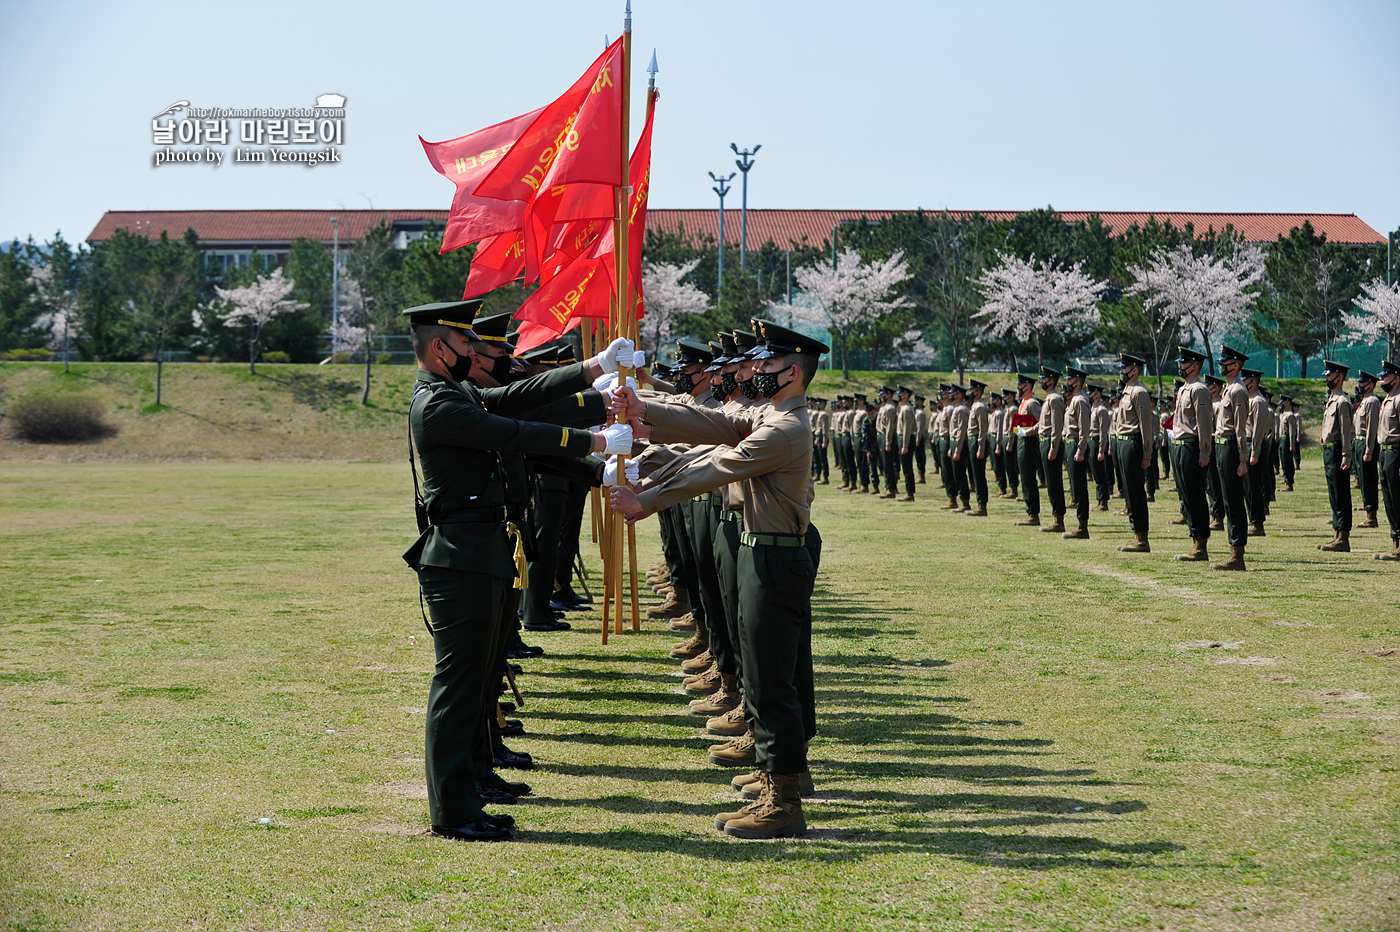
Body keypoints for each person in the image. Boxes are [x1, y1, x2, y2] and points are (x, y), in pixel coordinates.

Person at [402, 300, 634, 842]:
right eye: (465, 346)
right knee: (459, 687)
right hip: (461, 556)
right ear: (441, 348)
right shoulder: (436, 404)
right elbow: (512, 433)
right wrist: (594, 441)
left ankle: (470, 789)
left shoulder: (455, 391)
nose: (474, 355)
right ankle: (453, 810)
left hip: (483, 550)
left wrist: (591, 369)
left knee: (480, 681)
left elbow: (513, 398)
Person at [609, 322, 827, 840]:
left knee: (772, 678)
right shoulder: (768, 414)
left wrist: (648, 499)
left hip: (774, 558)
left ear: (792, 373)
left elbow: (721, 464)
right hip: (762, 552)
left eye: (767, 366)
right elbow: (711, 421)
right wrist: (646, 412)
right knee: (763, 667)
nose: (754, 372)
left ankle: (783, 803)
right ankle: (785, 774)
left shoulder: (785, 428)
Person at [1169, 348, 1215, 562]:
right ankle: (1194, 539)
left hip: (1192, 446)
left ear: (1195, 365)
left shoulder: (1199, 389)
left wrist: (1205, 452)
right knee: (1186, 495)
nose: (1181, 366)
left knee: (1195, 495)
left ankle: (1200, 545)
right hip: (1179, 445)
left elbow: (1204, 424)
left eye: (1184, 363)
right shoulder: (1184, 389)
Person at [1210, 348, 1251, 570]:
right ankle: (1233, 550)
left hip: (1231, 447)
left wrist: (1242, 459)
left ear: (1235, 365)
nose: (1222, 364)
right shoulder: (1229, 388)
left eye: (1225, 361)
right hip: (1221, 445)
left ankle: (1237, 554)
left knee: (1234, 500)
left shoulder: (1237, 390)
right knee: (1227, 498)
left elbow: (1240, 428)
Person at [1113, 353, 1155, 553]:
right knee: (1128, 491)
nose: (1121, 371)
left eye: (1125, 368)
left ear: (1135, 370)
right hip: (1122, 443)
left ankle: (1142, 538)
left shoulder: (1139, 392)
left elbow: (1146, 426)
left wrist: (1147, 454)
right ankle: (1135, 533)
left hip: (1133, 443)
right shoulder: (1127, 391)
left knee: (1136, 492)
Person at [1317, 360, 1356, 552]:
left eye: (1330, 375)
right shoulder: (1332, 399)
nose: (1326, 378)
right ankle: (1337, 532)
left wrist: (1346, 456)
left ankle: (1343, 536)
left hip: (1338, 450)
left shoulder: (1342, 401)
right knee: (1333, 493)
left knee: (1341, 493)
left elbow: (1346, 432)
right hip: (1329, 451)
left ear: (1339, 377)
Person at [1060, 367, 1092, 539]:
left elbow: (1084, 429)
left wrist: (1080, 450)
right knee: (1075, 485)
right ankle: (1080, 524)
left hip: (1076, 446)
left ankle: (1082, 526)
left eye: (1070, 380)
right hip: (1070, 444)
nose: (1067, 383)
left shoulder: (1080, 400)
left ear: (1078, 382)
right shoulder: (1074, 400)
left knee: (1079, 486)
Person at [1242, 368, 1273, 538]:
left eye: (1245, 379)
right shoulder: (1249, 399)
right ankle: (1253, 519)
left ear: (1252, 382)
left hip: (1255, 445)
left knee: (1254, 486)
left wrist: (1255, 451)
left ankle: (1257, 523)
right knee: (1248, 486)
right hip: (1247, 445)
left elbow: (1258, 429)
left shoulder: (1258, 401)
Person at [1374, 360, 1400, 561]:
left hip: (1395, 452)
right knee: (1389, 499)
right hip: (1384, 452)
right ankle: (1395, 542)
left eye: (1385, 376)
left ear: (1396, 378)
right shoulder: (1388, 399)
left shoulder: (1399, 399)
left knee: (1397, 498)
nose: (1381, 380)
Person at [1036, 366, 1067, 534]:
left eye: (1045, 378)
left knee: (1054, 482)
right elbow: (1044, 423)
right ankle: (1056, 517)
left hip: (1050, 443)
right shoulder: (1049, 398)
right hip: (1044, 441)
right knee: (1050, 482)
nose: (1042, 381)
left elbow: (1056, 426)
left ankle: (1058, 520)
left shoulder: (1055, 398)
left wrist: (1053, 448)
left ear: (1052, 380)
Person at [1353, 371, 1382, 528]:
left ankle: (1372, 516)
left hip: (1366, 443)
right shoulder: (1364, 401)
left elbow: (1371, 428)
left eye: (1362, 382)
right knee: (1363, 479)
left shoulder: (1372, 401)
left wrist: (1369, 450)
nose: (1359, 385)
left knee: (1369, 479)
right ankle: (1367, 509)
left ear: (1370, 384)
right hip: (1359, 442)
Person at [1013, 374, 1042, 526]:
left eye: (1020, 384)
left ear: (1028, 386)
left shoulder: (1032, 403)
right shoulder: (1024, 402)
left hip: (1029, 443)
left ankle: (1034, 514)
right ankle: (1029, 511)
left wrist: (1029, 431)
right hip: (1021, 442)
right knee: (1024, 478)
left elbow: (1042, 421)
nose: (1018, 387)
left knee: (1029, 478)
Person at [965, 380, 990, 516]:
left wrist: (980, 447)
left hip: (977, 442)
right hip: (972, 441)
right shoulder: (975, 406)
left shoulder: (980, 406)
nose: (970, 392)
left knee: (979, 475)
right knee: (975, 474)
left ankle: (982, 506)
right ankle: (979, 504)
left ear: (978, 391)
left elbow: (982, 429)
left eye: (972, 390)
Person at [877, 386, 899, 499]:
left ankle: (891, 489)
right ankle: (887, 486)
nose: (881, 396)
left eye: (883, 394)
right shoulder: (884, 407)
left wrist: (887, 442)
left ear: (889, 395)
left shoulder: (890, 408)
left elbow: (890, 427)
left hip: (887, 436)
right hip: (881, 435)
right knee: (885, 464)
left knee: (889, 464)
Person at [896, 386, 917, 501]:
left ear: (907, 395)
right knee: (905, 467)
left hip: (906, 439)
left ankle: (910, 493)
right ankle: (909, 492)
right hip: (903, 438)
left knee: (907, 467)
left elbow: (907, 429)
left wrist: (905, 445)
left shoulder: (907, 409)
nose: (899, 395)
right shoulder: (903, 408)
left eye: (902, 393)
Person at [1278, 395, 1299, 491]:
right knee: (1283, 460)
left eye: (1284, 401)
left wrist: (1291, 444)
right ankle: (1286, 480)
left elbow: (1291, 431)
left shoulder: (1290, 415)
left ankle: (1289, 483)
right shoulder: (1283, 414)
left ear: (1288, 402)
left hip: (1287, 439)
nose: (1281, 403)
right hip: (1281, 439)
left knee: (1287, 461)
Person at [913, 394, 929, 484]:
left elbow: (919, 428)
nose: (915, 402)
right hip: (918, 437)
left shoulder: (920, 413)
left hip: (919, 437)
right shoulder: (917, 412)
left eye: (917, 401)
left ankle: (921, 476)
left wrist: (917, 440)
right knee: (918, 456)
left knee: (920, 456)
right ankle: (920, 475)